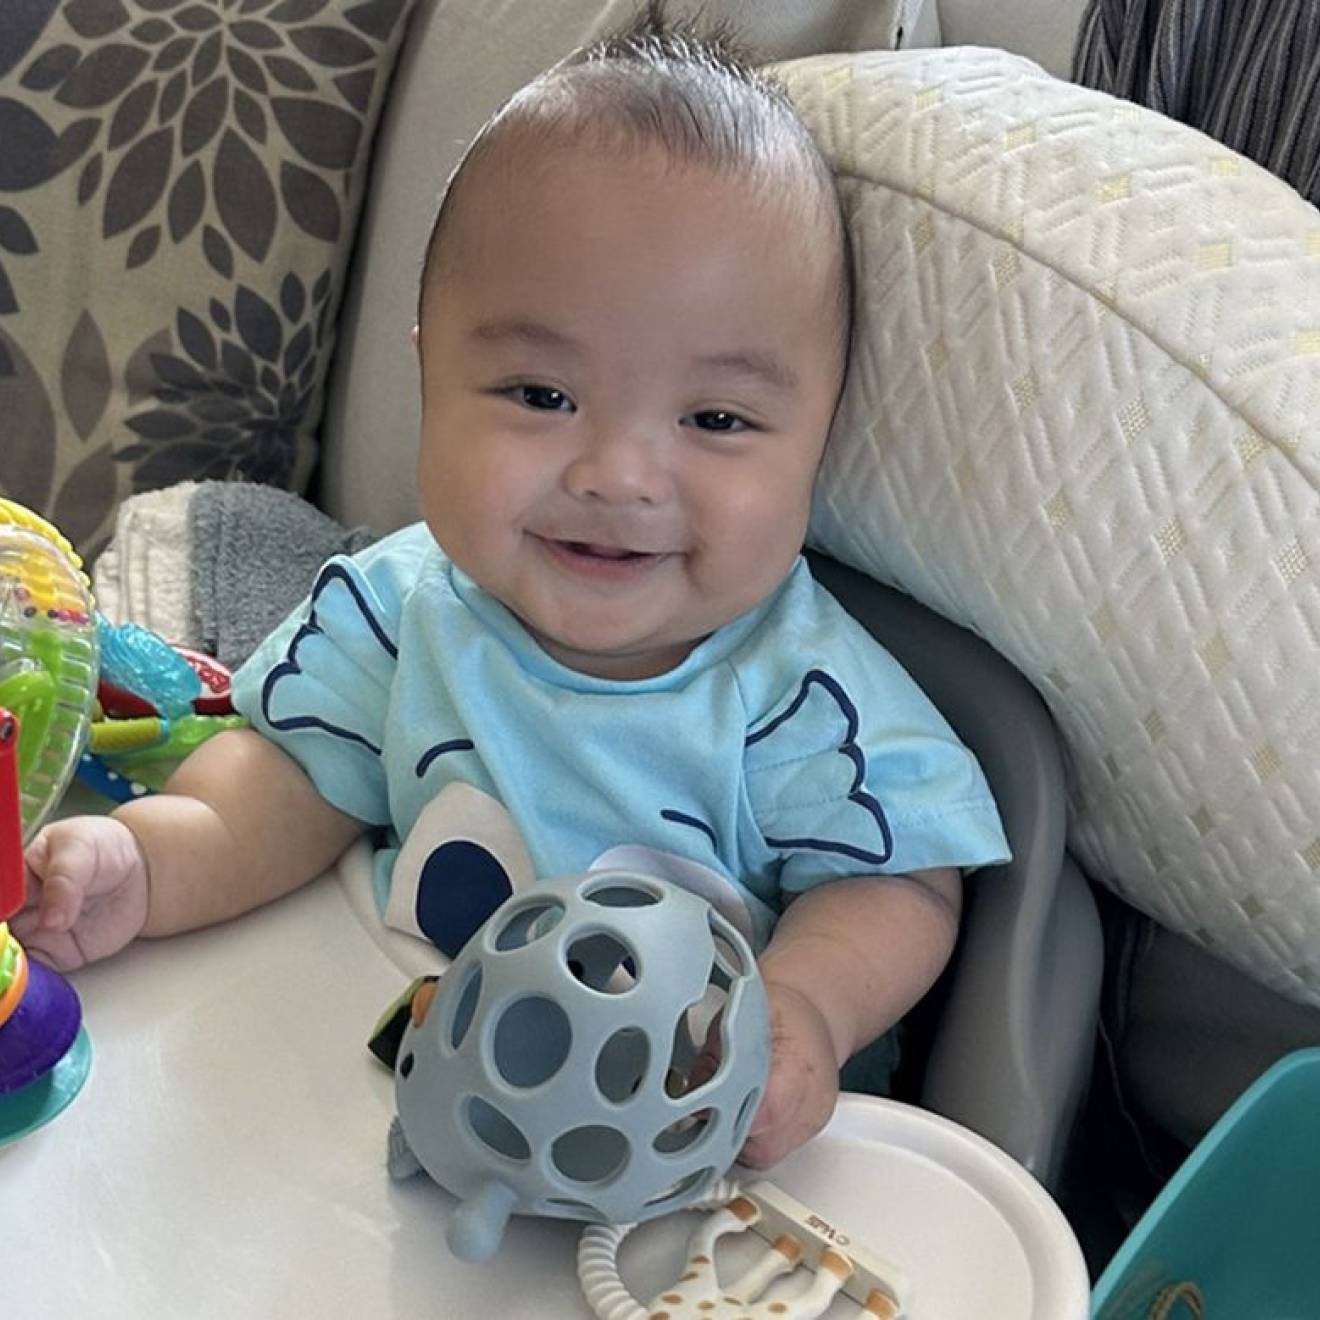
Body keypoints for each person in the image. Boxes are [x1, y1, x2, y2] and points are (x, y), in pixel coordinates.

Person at [14, 4, 1009, 1169]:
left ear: (822, 437)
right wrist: (153, 861)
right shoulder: (399, 608)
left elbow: (901, 887)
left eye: (718, 418)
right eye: (542, 396)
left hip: (671, 1157)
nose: (616, 475)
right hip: (388, 1100)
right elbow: (285, 782)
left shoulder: (805, 702)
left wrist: (806, 1010)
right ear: (431, 362)